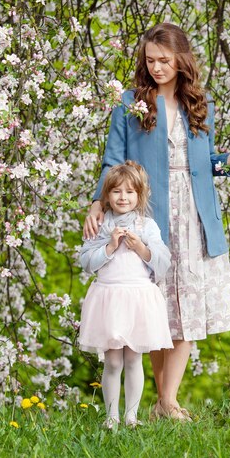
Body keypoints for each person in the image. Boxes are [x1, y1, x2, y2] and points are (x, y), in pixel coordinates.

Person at [84, 23, 230, 421]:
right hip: (150, 219)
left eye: (164, 60)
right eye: (150, 60)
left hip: (195, 217)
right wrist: (98, 202)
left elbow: (203, 165)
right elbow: (113, 159)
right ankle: (164, 403)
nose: (157, 67)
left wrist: (229, 160)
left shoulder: (200, 104)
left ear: (181, 60)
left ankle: (168, 401)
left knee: (188, 309)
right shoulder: (130, 104)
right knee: (156, 310)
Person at [79, 160, 173, 428]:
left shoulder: (147, 226)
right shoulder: (100, 225)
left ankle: (131, 415)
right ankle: (111, 416)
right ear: (107, 195)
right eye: (117, 191)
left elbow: (163, 261)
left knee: (133, 358)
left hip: (137, 299)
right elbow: (86, 261)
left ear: (139, 195)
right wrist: (109, 247)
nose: (123, 197)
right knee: (112, 360)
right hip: (109, 299)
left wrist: (141, 248)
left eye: (130, 192)